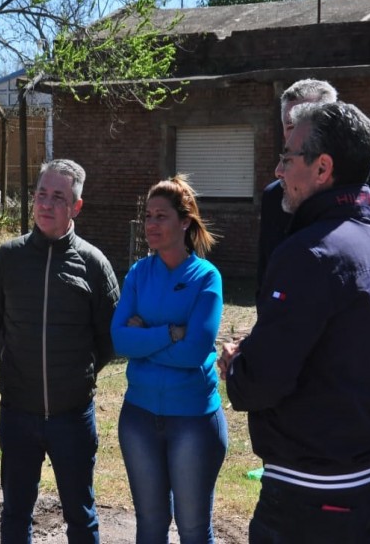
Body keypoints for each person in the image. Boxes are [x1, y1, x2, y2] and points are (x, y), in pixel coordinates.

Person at [221, 101, 370, 543]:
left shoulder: (310, 253)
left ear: (323, 167)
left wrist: (238, 363)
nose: (277, 169)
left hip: (311, 494)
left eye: (288, 157)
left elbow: (262, 383)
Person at [0, 159, 120, 544]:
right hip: (18, 413)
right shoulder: (8, 258)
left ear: (76, 206)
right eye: (41, 194)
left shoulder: (93, 264)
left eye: (58, 196)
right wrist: (11, 360)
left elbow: (108, 338)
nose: (46, 204)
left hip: (72, 417)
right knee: (15, 514)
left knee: (81, 515)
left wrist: (80, 372)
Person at [111, 175, 227, 543]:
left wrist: (144, 334)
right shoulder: (138, 273)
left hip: (192, 420)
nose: (151, 224)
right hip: (139, 417)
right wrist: (169, 333)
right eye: (148, 215)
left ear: (185, 221)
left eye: (161, 216)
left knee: (193, 529)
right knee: (149, 526)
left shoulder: (206, 278)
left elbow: (195, 352)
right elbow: (119, 339)